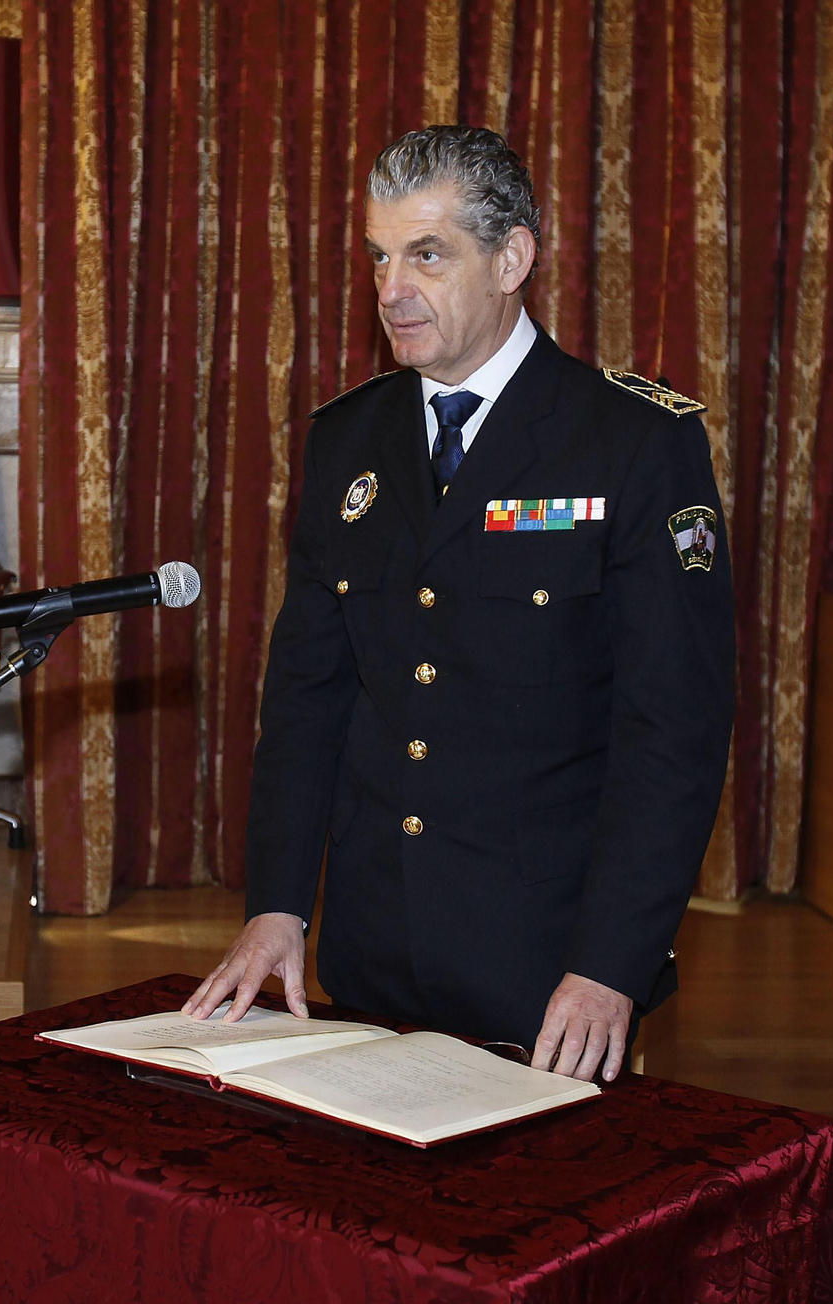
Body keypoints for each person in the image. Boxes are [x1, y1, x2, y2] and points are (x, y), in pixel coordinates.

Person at [184, 125, 734, 1084]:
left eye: (427, 254)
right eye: (380, 255)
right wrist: (277, 907)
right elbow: (306, 699)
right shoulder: (345, 441)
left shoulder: (633, 443)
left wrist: (612, 961)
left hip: (548, 965)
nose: (393, 288)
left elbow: (673, 734)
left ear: (512, 257)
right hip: (368, 951)